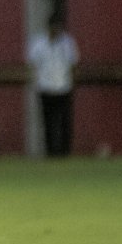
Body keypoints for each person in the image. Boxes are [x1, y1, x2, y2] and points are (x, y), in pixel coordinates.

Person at [27, 13, 79, 157]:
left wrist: (72, 82)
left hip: (64, 87)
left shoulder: (67, 43)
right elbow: (32, 64)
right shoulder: (38, 43)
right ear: (49, 27)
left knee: (64, 121)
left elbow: (73, 64)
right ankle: (51, 152)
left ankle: (64, 151)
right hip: (45, 87)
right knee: (48, 121)